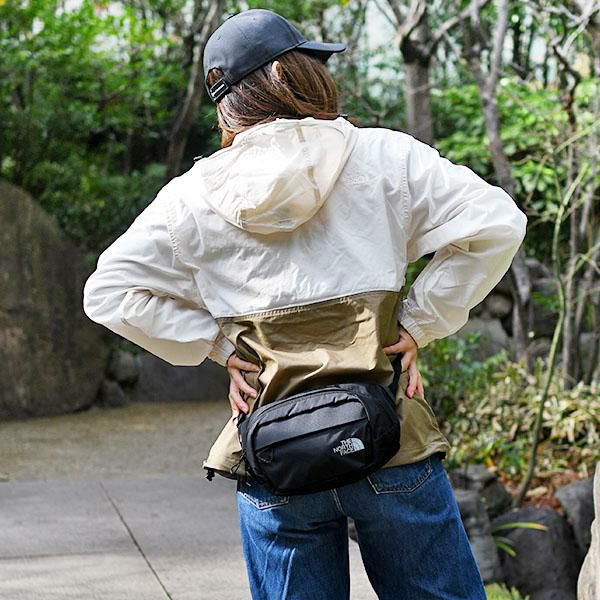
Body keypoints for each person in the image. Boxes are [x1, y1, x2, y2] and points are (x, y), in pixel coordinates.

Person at [82, 8, 528, 599]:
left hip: (275, 451)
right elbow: (497, 222)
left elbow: (108, 293)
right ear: (291, 75)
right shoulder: (385, 157)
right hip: (390, 438)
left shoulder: (190, 197)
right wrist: (420, 321)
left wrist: (217, 344)